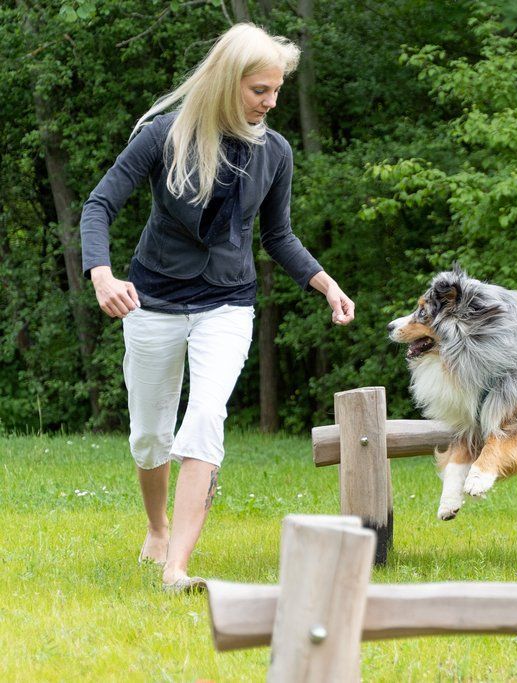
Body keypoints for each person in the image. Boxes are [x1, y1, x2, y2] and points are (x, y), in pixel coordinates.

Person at [79, 23, 354, 592]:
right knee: (150, 435)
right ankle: (156, 530)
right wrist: (102, 273)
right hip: (151, 299)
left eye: (276, 90)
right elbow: (100, 204)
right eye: (260, 90)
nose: (271, 102)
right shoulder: (162, 137)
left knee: (205, 416)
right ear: (228, 83)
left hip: (227, 303)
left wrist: (326, 285)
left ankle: (177, 567)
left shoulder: (275, 152)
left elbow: (278, 236)